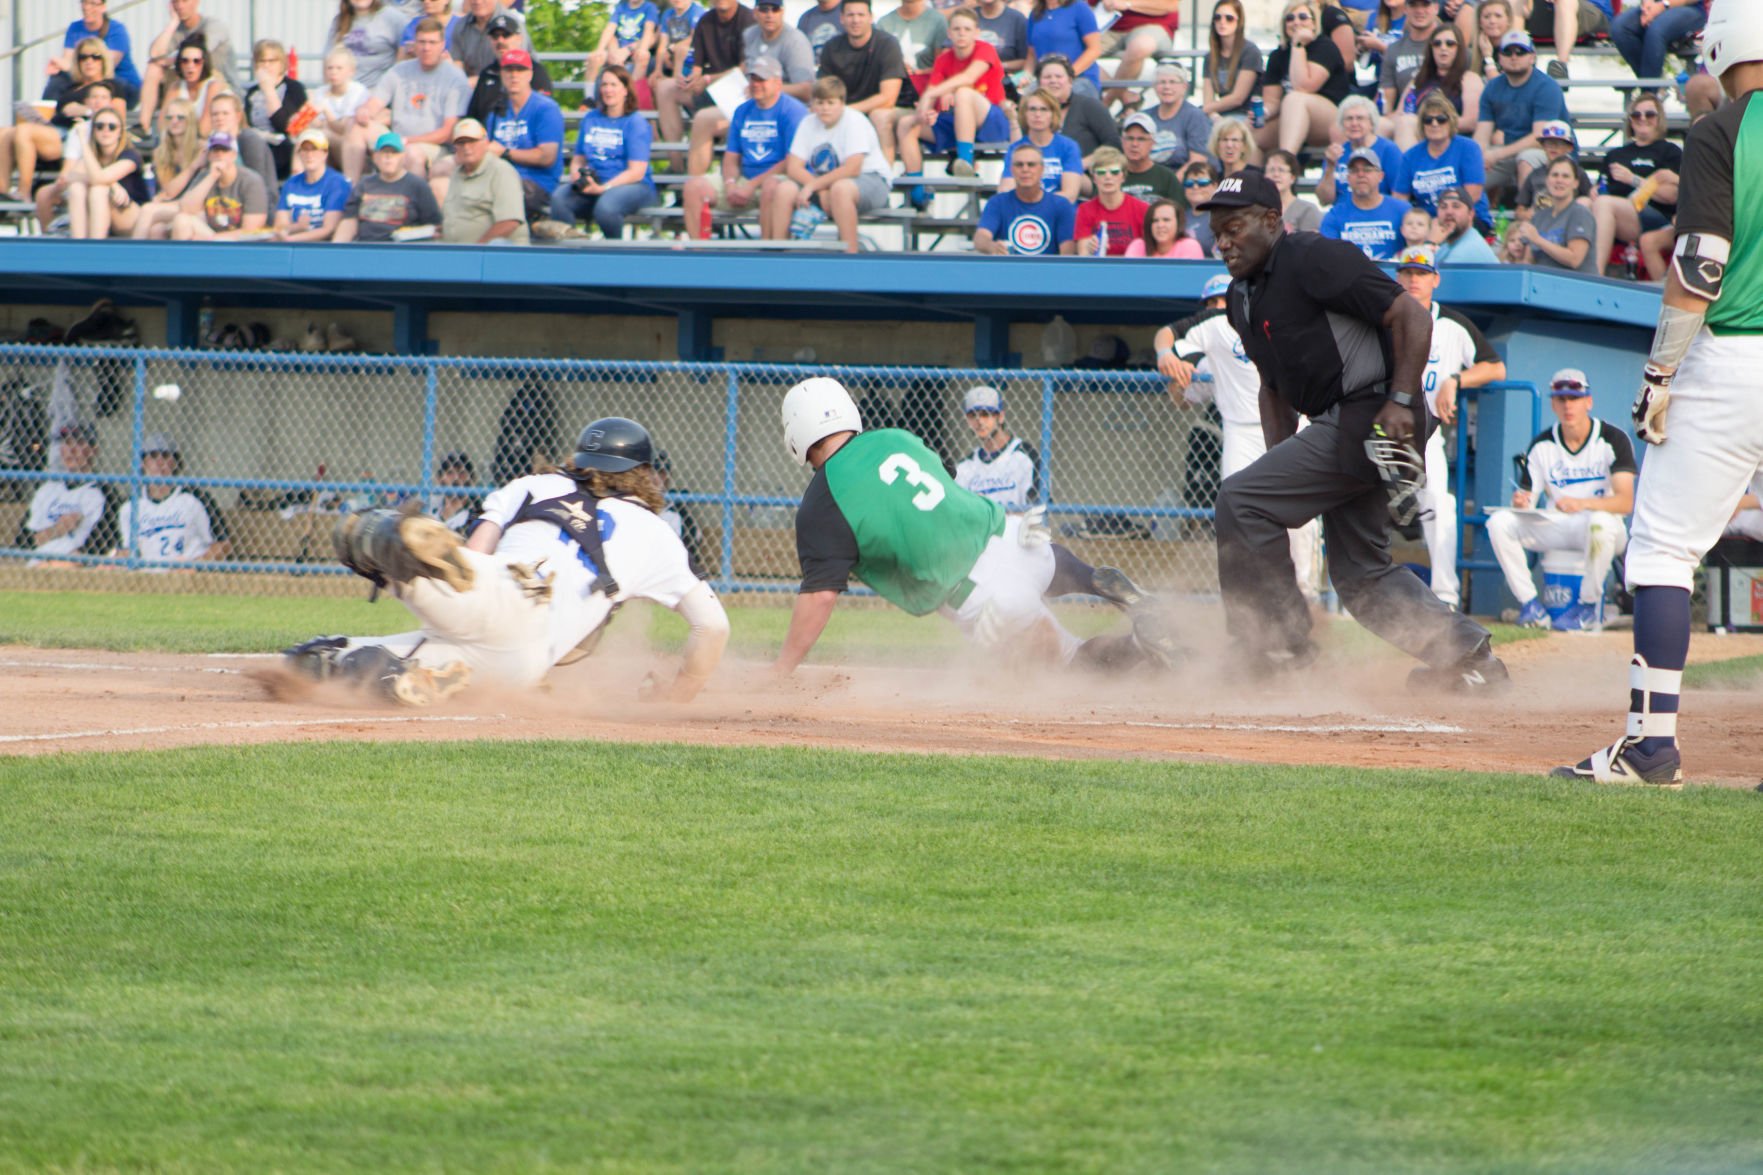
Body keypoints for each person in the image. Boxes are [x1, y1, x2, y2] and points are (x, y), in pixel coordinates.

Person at [1555, 1, 1763, 785]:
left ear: (1720, 48)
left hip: (1732, 358)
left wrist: (1655, 377)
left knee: (1663, 550)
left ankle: (1649, 747)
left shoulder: (1720, 130)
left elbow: (1701, 263)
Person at [1198, 170, 1506, 689]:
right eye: (1216, 232)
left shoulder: (1314, 256)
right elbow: (1272, 387)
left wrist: (1403, 401)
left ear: (1273, 221)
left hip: (1376, 417)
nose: (1223, 241)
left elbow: (1412, 316)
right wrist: (1283, 464)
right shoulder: (1240, 297)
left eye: (1234, 227)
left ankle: (1278, 650)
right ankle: (1471, 661)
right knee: (1361, 577)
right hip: (1342, 427)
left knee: (1240, 500)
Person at [288, 417, 731, 706]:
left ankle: (401, 554)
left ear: (578, 461)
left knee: (378, 553)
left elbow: (477, 554)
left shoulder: (535, 485)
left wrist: (457, 577)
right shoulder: (659, 534)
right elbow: (712, 627)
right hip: (526, 662)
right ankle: (392, 672)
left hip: (500, 594)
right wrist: (679, 695)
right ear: (645, 473)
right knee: (366, 664)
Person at [771, 377, 1177, 677]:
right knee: (1057, 570)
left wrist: (781, 669)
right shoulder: (893, 438)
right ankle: (1097, 582)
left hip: (979, 592)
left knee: (1070, 668)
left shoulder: (820, 503)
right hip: (1014, 537)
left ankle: (1138, 646)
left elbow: (820, 597)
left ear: (796, 431)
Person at [1156, 272, 1323, 599]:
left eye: (1223, 300)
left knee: (1300, 518)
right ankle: (1246, 598)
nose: (1219, 307)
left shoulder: (1268, 316)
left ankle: (1306, 596)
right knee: (1234, 512)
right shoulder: (1212, 338)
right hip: (1241, 433)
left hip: (1289, 427)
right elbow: (1183, 398)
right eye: (1213, 302)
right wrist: (1175, 373)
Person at [1393, 244, 1506, 610]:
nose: (1414, 279)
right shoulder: (1382, 320)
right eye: (1408, 272)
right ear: (1398, 277)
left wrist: (1455, 380)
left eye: (1422, 274)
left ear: (1435, 280)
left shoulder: (1451, 325)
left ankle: (1445, 598)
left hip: (1426, 437)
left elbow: (1495, 367)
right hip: (1377, 435)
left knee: (1440, 506)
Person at [1487, 369, 1635, 634]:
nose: (1568, 405)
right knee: (1499, 522)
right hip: (1556, 525)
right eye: (1561, 399)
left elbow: (1625, 503)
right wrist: (1521, 502)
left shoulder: (1613, 439)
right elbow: (1528, 499)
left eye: (1575, 398)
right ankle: (1531, 605)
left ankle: (1588, 607)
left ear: (1588, 402)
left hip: (1603, 529)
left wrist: (1583, 503)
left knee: (1600, 523)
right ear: (1553, 403)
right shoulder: (1542, 444)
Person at [681, 58, 806, 239]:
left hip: (779, 179)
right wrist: (731, 184)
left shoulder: (793, 111)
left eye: (762, 80)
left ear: (778, 83)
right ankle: (699, 252)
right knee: (694, 186)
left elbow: (791, 160)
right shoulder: (742, 110)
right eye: (753, 79)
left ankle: (771, 253)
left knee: (772, 186)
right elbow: (732, 156)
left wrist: (751, 186)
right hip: (745, 178)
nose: (756, 84)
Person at [765, 75, 889, 252]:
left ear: (842, 103)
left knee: (841, 189)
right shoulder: (808, 122)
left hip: (871, 180)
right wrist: (820, 189)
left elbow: (853, 168)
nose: (825, 108)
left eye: (830, 103)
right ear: (813, 104)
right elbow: (793, 167)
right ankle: (781, 255)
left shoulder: (855, 120)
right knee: (784, 189)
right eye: (820, 103)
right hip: (826, 183)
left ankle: (850, 255)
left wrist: (813, 186)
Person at [898, 6, 1011, 199]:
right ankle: (918, 191)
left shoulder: (985, 49)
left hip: (991, 120)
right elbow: (930, 97)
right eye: (957, 29)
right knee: (906, 123)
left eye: (967, 29)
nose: (961, 34)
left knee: (963, 93)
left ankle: (965, 163)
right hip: (957, 122)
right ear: (949, 33)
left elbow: (968, 78)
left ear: (976, 33)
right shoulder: (943, 59)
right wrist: (924, 112)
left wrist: (936, 92)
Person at [346, 17, 472, 190]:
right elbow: (375, 103)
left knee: (412, 154)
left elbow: (447, 132)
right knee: (357, 126)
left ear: (442, 44)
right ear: (414, 44)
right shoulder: (399, 70)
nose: (426, 48)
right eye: (421, 42)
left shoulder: (455, 78)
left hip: (434, 146)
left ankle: (413, 206)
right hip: (398, 137)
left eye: (432, 42)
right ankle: (350, 189)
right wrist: (364, 110)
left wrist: (407, 141)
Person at [548, 65, 656, 239]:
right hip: (595, 183)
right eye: (604, 85)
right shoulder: (591, 118)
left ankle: (613, 255)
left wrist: (604, 188)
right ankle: (570, 251)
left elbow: (636, 172)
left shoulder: (635, 122)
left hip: (632, 185)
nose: (608, 89)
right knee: (559, 199)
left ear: (625, 90)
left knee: (606, 208)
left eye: (613, 85)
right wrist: (578, 177)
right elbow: (579, 159)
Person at [1589, 91, 1682, 280]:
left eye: (1649, 114)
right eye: (1636, 115)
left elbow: (1672, 195)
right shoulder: (1615, 155)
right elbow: (1603, 188)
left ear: (1659, 119)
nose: (1642, 119)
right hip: (1618, 214)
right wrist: (1593, 193)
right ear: (1630, 120)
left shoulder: (1669, 151)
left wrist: (1634, 180)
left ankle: (1594, 275)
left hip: (1656, 218)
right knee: (1583, 203)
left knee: (1605, 204)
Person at [654, 0, 755, 170]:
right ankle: (677, 166)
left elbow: (745, 68)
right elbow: (697, 66)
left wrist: (708, 79)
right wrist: (689, 79)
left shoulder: (749, 19)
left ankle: (699, 178)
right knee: (665, 87)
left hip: (741, 93)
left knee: (704, 119)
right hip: (712, 89)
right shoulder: (705, 21)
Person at [1474, 30, 1570, 205]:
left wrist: (1496, 154)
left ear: (1532, 57)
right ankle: (1478, 225)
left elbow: (1540, 139)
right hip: (1509, 152)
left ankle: (1527, 219)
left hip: (1555, 152)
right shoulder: (1492, 87)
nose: (1514, 57)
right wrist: (1479, 157)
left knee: (1527, 157)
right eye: (1508, 52)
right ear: (1500, 58)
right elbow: (1482, 135)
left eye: (1521, 52)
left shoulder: (1546, 87)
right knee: (1470, 173)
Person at [475, 48, 564, 223]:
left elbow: (547, 157)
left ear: (530, 74)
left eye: (520, 70)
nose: (514, 75)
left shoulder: (546, 108)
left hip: (536, 184)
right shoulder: (496, 110)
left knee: (504, 194)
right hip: (500, 179)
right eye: (509, 70)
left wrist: (505, 152)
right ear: (502, 74)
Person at [814, 0, 908, 166]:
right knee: (813, 115)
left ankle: (884, 179)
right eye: (850, 15)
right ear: (841, 18)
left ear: (871, 17)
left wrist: (845, 111)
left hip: (891, 110)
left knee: (879, 116)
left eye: (861, 15)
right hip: (844, 110)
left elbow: (888, 98)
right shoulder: (831, 47)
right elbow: (824, 91)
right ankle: (821, 179)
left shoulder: (887, 44)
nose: (855, 20)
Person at [115, 432, 230, 567]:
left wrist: (195, 567)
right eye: (153, 456)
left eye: (165, 456)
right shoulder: (130, 505)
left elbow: (223, 544)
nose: (159, 463)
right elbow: (125, 550)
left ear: (175, 462)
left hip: (189, 578)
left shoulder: (196, 499)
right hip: (145, 578)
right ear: (142, 463)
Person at [1259, 0, 1354, 156]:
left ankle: (1285, 163)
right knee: (1249, 133)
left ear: (1314, 23)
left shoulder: (1325, 46)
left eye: (1303, 17)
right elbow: (1273, 101)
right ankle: (1248, 178)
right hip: (1293, 118)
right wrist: (1264, 112)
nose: (1296, 22)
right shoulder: (1278, 55)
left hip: (1331, 118)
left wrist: (1298, 46)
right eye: (1290, 18)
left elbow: (1304, 86)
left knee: (1295, 99)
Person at [133, 0, 237, 136]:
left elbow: (199, 50)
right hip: (189, 83)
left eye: (185, 1)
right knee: (154, 67)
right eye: (175, 1)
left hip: (219, 83)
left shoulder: (214, 26)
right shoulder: (177, 31)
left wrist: (177, 60)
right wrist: (172, 23)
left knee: (200, 72)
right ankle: (144, 125)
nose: (180, 6)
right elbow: (155, 55)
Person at [24, 423, 114, 567]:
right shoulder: (47, 489)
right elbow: (24, 541)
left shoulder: (105, 493)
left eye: (79, 443)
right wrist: (58, 529)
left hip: (75, 563)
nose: (71, 450)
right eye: (67, 443)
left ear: (93, 450)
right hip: (37, 561)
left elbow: (102, 545)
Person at [1396, 92, 1489, 227]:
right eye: (1428, 120)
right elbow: (1400, 200)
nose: (1434, 124)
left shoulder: (1468, 148)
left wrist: (1440, 222)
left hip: (1466, 220)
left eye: (1441, 119)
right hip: (1426, 224)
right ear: (1422, 125)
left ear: (1450, 121)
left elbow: (1472, 196)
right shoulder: (1410, 156)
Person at [334, 129, 443, 241]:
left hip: (403, 250)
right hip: (367, 247)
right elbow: (349, 221)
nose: (388, 157)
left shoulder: (418, 185)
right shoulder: (364, 184)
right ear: (375, 157)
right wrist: (336, 250)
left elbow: (433, 227)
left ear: (403, 157)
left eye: (394, 153)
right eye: (384, 152)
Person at [1394, 21, 1484, 149]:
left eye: (1450, 44)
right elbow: (1400, 113)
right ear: (1431, 49)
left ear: (1459, 49)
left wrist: (1431, 122)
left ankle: (1407, 169)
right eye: (1437, 44)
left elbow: (1471, 122)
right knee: (1380, 124)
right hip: (1416, 132)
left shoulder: (1469, 78)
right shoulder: (1418, 79)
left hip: (1451, 139)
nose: (1443, 48)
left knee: (1407, 122)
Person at [62, 109, 150, 238]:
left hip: (131, 216)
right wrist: (113, 185)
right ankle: (79, 244)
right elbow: (71, 176)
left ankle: (95, 248)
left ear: (120, 132)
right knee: (76, 188)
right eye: (99, 126)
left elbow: (99, 178)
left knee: (99, 189)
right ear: (93, 131)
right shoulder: (91, 158)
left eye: (112, 127)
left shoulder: (130, 155)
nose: (106, 131)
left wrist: (82, 140)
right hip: (104, 212)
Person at [973, 145, 1076, 254]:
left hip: (1047, 270)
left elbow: (1067, 252)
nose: (1025, 169)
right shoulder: (997, 203)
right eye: (1019, 165)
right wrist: (991, 246)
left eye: (1031, 165)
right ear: (1012, 170)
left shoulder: (1061, 205)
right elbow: (981, 238)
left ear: (1042, 169)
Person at [441, 116, 529, 243]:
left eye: (472, 141)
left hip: (496, 255)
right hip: (459, 254)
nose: (466, 147)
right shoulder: (456, 173)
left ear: (485, 142)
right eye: (461, 142)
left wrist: (478, 249)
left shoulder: (501, 171)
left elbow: (510, 222)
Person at [170, 131, 270, 240]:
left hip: (239, 243)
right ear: (208, 156)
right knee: (181, 220)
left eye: (224, 150)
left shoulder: (250, 180)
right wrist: (212, 176)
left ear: (233, 155)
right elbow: (185, 208)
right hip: (211, 235)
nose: (219, 154)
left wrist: (213, 239)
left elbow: (251, 230)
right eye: (215, 150)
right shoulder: (205, 176)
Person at [952, 385, 1039, 506]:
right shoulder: (964, 467)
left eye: (985, 414)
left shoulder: (1024, 456)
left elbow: (1037, 509)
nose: (979, 421)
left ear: (1001, 417)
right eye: (973, 415)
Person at [130, 96, 203, 238]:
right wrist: (192, 167)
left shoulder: (201, 149)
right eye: (170, 118)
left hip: (196, 207)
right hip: (174, 203)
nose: (174, 122)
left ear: (190, 121)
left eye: (180, 117)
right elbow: (169, 190)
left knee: (147, 210)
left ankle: (133, 256)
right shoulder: (161, 152)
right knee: (156, 229)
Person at [1319, 146, 1411, 257]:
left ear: (1380, 176)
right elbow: (1327, 257)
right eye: (1354, 170)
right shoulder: (1334, 216)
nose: (1361, 175)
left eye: (1367, 170)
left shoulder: (1403, 211)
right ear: (1348, 178)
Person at [994, 88, 1081, 202]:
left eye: (1044, 109)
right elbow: (1007, 188)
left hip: (1058, 212)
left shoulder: (1068, 147)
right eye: (1032, 109)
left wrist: (1037, 204)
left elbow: (1070, 195)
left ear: (1053, 114)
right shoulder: (1016, 148)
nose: (1038, 114)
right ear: (1024, 114)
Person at [1316, 95, 1402, 206]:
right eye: (1349, 119)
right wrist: (1330, 167)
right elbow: (1324, 200)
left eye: (1360, 118)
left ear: (1371, 123)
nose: (1354, 123)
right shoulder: (1336, 153)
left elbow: (1399, 196)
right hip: (1343, 215)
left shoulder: (1389, 150)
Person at [242, 39, 309, 181]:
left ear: (282, 64)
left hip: (283, 144)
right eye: (262, 61)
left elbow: (284, 126)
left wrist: (268, 90)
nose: (266, 66)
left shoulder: (294, 88)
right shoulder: (251, 92)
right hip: (256, 140)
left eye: (272, 61)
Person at [1520, 157, 1598, 272]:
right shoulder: (1538, 217)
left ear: (1575, 183)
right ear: (1547, 180)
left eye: (1565, 176)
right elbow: (1528, 261)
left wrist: (1538, 240)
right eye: (1554, 175)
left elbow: (1574, 259)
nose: (1559, 180)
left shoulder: (1580, 213)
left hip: (1574, 285)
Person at [1035, 56, 1118, 162]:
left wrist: (1080, 165)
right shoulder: (1032, 110)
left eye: (1058, 76)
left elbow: (1113, 145)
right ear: (1039, 83)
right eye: (1047, 77)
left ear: (1070, 81)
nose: (1053, 81)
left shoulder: (1090, 106)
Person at [274, 129, 351, 242]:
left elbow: (329, 229)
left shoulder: (337, 183)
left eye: (314, 149)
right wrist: (297, 227)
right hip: (293, 242)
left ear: (325, 153)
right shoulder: (291, 183)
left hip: (322, 248)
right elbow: (280, 226)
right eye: (305, 150)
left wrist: (291, 238)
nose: (309, 155)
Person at [51, 0, 141, 97]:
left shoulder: (117, 30)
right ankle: (47, 108)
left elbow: (105, 67)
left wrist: (59, 63)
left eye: (93, 3)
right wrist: (56, 66)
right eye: (84, 3)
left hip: (123, 83)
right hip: (87, 79)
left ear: (103, 7)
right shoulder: (75, 28)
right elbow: (68, 60)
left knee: (98, 82)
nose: (87, 8)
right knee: (58, 79)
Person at [1096, 0, 1183, 93]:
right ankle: (1125, 96)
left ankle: (1108, 100)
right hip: (1109, 26)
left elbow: (1170, 4)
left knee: (1140, 46)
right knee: (1079, 50)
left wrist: (1127, 3)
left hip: (1154, 25)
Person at [1611, 0, 1709, 84]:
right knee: (1620, 28)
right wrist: (1647, 5)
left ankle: (1649, 95)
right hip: (1654, 6)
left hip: (1690, 7)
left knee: (1656, 30)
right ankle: (1654, 83)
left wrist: (1663, 5)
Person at [1073, 146, 1147, 256]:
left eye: (1115, 172)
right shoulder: (1085, 210)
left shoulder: (1142, 209)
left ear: (1123, 176)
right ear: (1094, 178)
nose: (1108, 177)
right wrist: (1090, 248)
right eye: (1101, 172)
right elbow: (1083, 253)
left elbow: (1149, 252)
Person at [1379, 0, 1444, 120]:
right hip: (1406, 117)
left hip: (1443, 118)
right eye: (1413, 5)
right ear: (1405, 9)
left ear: (1436, 8)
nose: (1419, 11)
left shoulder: (1448, 45)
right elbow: (1386, 104)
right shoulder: (1393, 50)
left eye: (1425, 4)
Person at [1026, 0, 1101, 99]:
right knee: (1026, 97)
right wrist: (1025, 78)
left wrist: (1068, 75)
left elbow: (1094, 49)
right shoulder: (1035, 14)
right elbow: (1032, 55)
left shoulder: (1079, 8)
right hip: (1045, 81)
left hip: (1079, 78)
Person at [1201, 0, 1263, 121]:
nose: (1222, 22)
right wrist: (1213, 115)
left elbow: (1237, 99)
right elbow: (1207, 99)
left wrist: (1205, 109)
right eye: (1217, 17)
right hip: (1219, 114)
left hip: (1247, 116)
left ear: (1239, 21)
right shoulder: (1210, 57)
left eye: (1229, 18)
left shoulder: (1250, 51)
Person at [328, 0, 410, 90]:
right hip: (345, 92)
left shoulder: (395, 18)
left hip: (379, 92)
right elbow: (329, 59)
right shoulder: (339, 20)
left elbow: (405, 60)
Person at [1143, 64, 1210, 170]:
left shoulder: (1195, 116)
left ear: (1184, 87)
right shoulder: (1145, 117)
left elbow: (1198, 160)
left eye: (1172, 82)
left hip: (1184, 178)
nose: (1167, 87)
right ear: (1154, 87)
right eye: (1162, 82)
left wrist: (1172, 184)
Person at [1526, 0, 1613, 78]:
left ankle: (1560, 67)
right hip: (1550, 12)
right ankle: (1517, 55)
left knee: (1565, 2)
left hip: (1593, 12)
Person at [315, 47, 373, 164]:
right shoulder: (320, 91)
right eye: (329, 68)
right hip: (328, 146)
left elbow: (344, 129)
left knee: (321, 136)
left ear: (351, 71)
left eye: (339, 68)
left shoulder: (358, 91)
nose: (333, 72)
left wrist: (327, 113)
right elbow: (315, 124)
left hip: (353, 147)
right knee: (310, 138)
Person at [453, 0, 535, 81]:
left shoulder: (512, 23)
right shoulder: (461, 25)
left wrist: (479, 81)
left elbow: (518, 67)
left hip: (509, 84)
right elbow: (457, 63)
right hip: (470, 86)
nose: (478, 2)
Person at [588, 0, 661, 90]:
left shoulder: (649, 7)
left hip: (635, 49)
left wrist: (640, 49)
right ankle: (589, 98)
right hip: (617, 49)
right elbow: (610, 28)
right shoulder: (621, 7)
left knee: (642, 56)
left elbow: (648, 31)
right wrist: (601, 49)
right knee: (594, 57)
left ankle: (632, 95)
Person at [1119, 113, 1180, 205]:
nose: (1134, 144)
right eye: (1130, 138)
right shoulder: (1112, 174)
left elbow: (1179, 212)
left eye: (1141, 139)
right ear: (1122, 141)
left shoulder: (1167, 177)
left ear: (1152, 143)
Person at [1429, 183, 1498, 261]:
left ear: (1471, 214)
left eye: (1456, 206)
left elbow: (1417, 271)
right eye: (1443, 207)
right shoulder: (1450, 242)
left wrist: (1430, 243)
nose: (1449, 212)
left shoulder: (1469, 248)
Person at [1123, 196, 1203, 257]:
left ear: (1178, 223)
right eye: (1155, 220)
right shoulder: (1138, 246)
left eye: (1166, 220)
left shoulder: (1189, 246)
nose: (1160, 225)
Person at [1265, 149, 1322, 233]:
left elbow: (1311, 243)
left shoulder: (1308, 209)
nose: (1276, 174)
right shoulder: (1258, 209)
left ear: (1292, 177)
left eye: (1281, 170)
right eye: (1271, 170)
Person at [430, 449, 479, 533]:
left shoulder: (476, 513)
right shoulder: (432, 507)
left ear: (471, 478)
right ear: (439, 478)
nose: (456, 477)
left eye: (461, 472)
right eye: (449, 473)